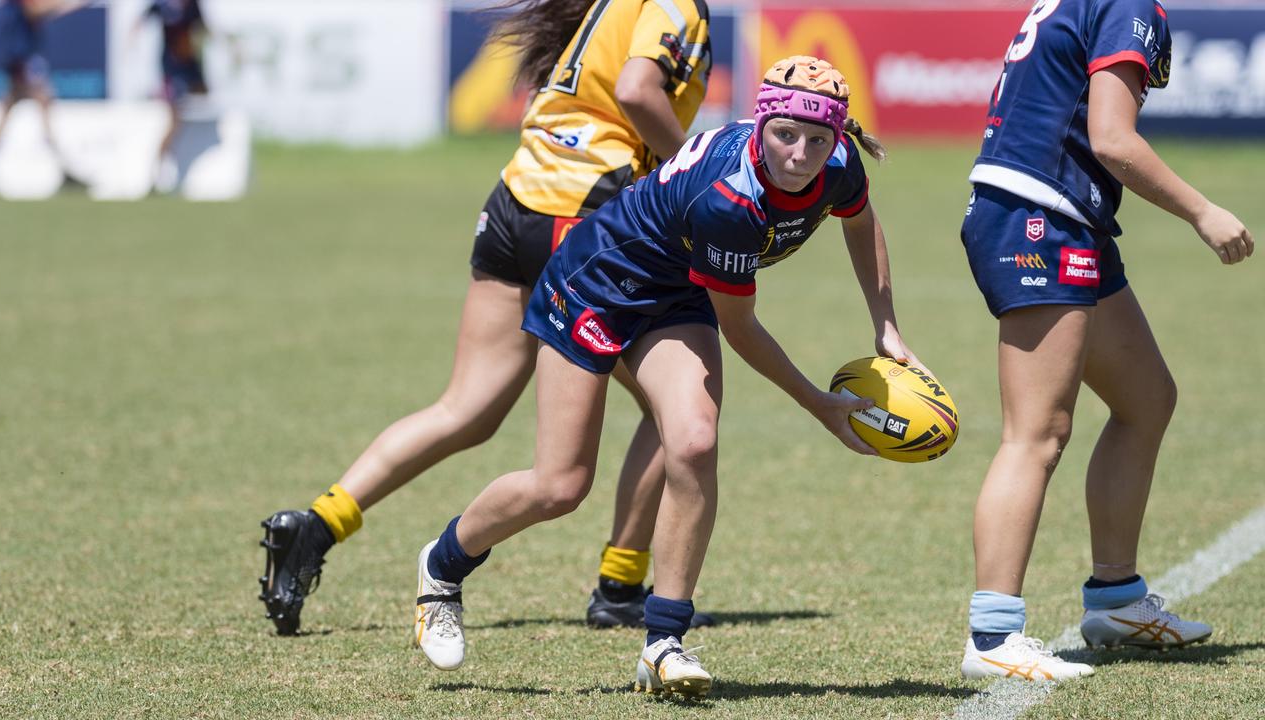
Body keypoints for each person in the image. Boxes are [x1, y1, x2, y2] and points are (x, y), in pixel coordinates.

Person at [412, 56, 918, 697]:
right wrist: (819, 404)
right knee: (560, 485)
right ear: (762, 123)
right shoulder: (730, 198)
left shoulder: (840, 165)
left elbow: (862, 222)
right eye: (786, 135)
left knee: (695, 442)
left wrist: (886, 326)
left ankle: (663, 643)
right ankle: (443, 564)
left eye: (818, 140)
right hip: (595, 284)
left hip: (677, 294)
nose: (801, 153)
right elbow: (741, 330)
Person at [259, 0, 714, 636]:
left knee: (466, 407)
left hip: (517, 201)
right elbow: (638, 90)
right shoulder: (673, 5)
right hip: (592, 216)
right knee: (678, 413)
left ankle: (318, 523)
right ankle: (620, 583)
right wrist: (701, 170)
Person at [957, 0, 1254, 681]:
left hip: (1058, 211)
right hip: (1041, 214)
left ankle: (1115, 601)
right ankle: (993, 637)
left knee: (1147, 397)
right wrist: (1203, 212)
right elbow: (1112, 138)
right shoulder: (1126, 4)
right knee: (1036, 432)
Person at [0, 0, 86, 175]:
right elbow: (34, 10)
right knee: (43, 100)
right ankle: (62, 166)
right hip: (20, 56)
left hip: (20, 54)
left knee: (12, 109)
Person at [136, 0, 209, 189]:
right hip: (171, 71)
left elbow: (202, 29)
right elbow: (141, 20)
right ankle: (157, 169)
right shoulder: (163, 5)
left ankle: (169, 168)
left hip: (191, 68)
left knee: (206, 102)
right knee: (174, 120)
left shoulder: (192, 5)